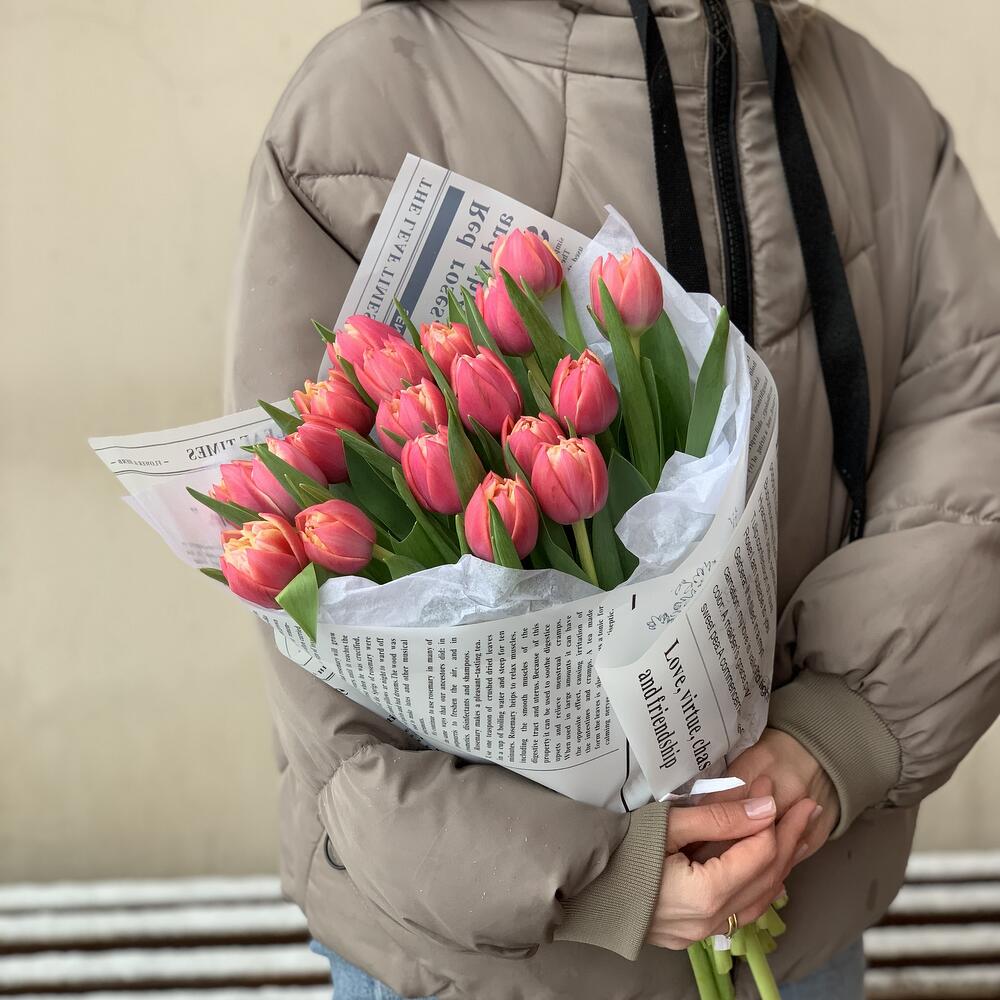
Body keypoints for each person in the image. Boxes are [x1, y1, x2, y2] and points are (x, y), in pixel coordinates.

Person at [224, 2, 1000, 998]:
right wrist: (600, 876)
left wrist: (829, 737)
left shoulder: (870, 105)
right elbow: (320, 647)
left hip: (802, 903)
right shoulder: (365, 109)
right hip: (482, 968)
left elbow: (973, 440)